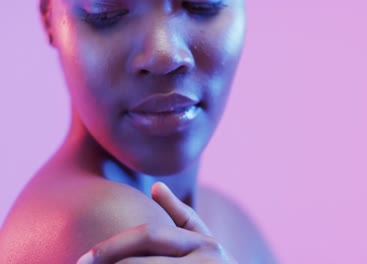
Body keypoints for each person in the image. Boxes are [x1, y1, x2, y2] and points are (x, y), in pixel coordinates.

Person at [0, 0, 276, 263]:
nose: (164, 54)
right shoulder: (106, 227)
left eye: (203, 3)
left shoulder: (230, 221)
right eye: (106, 11)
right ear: (49, 19)